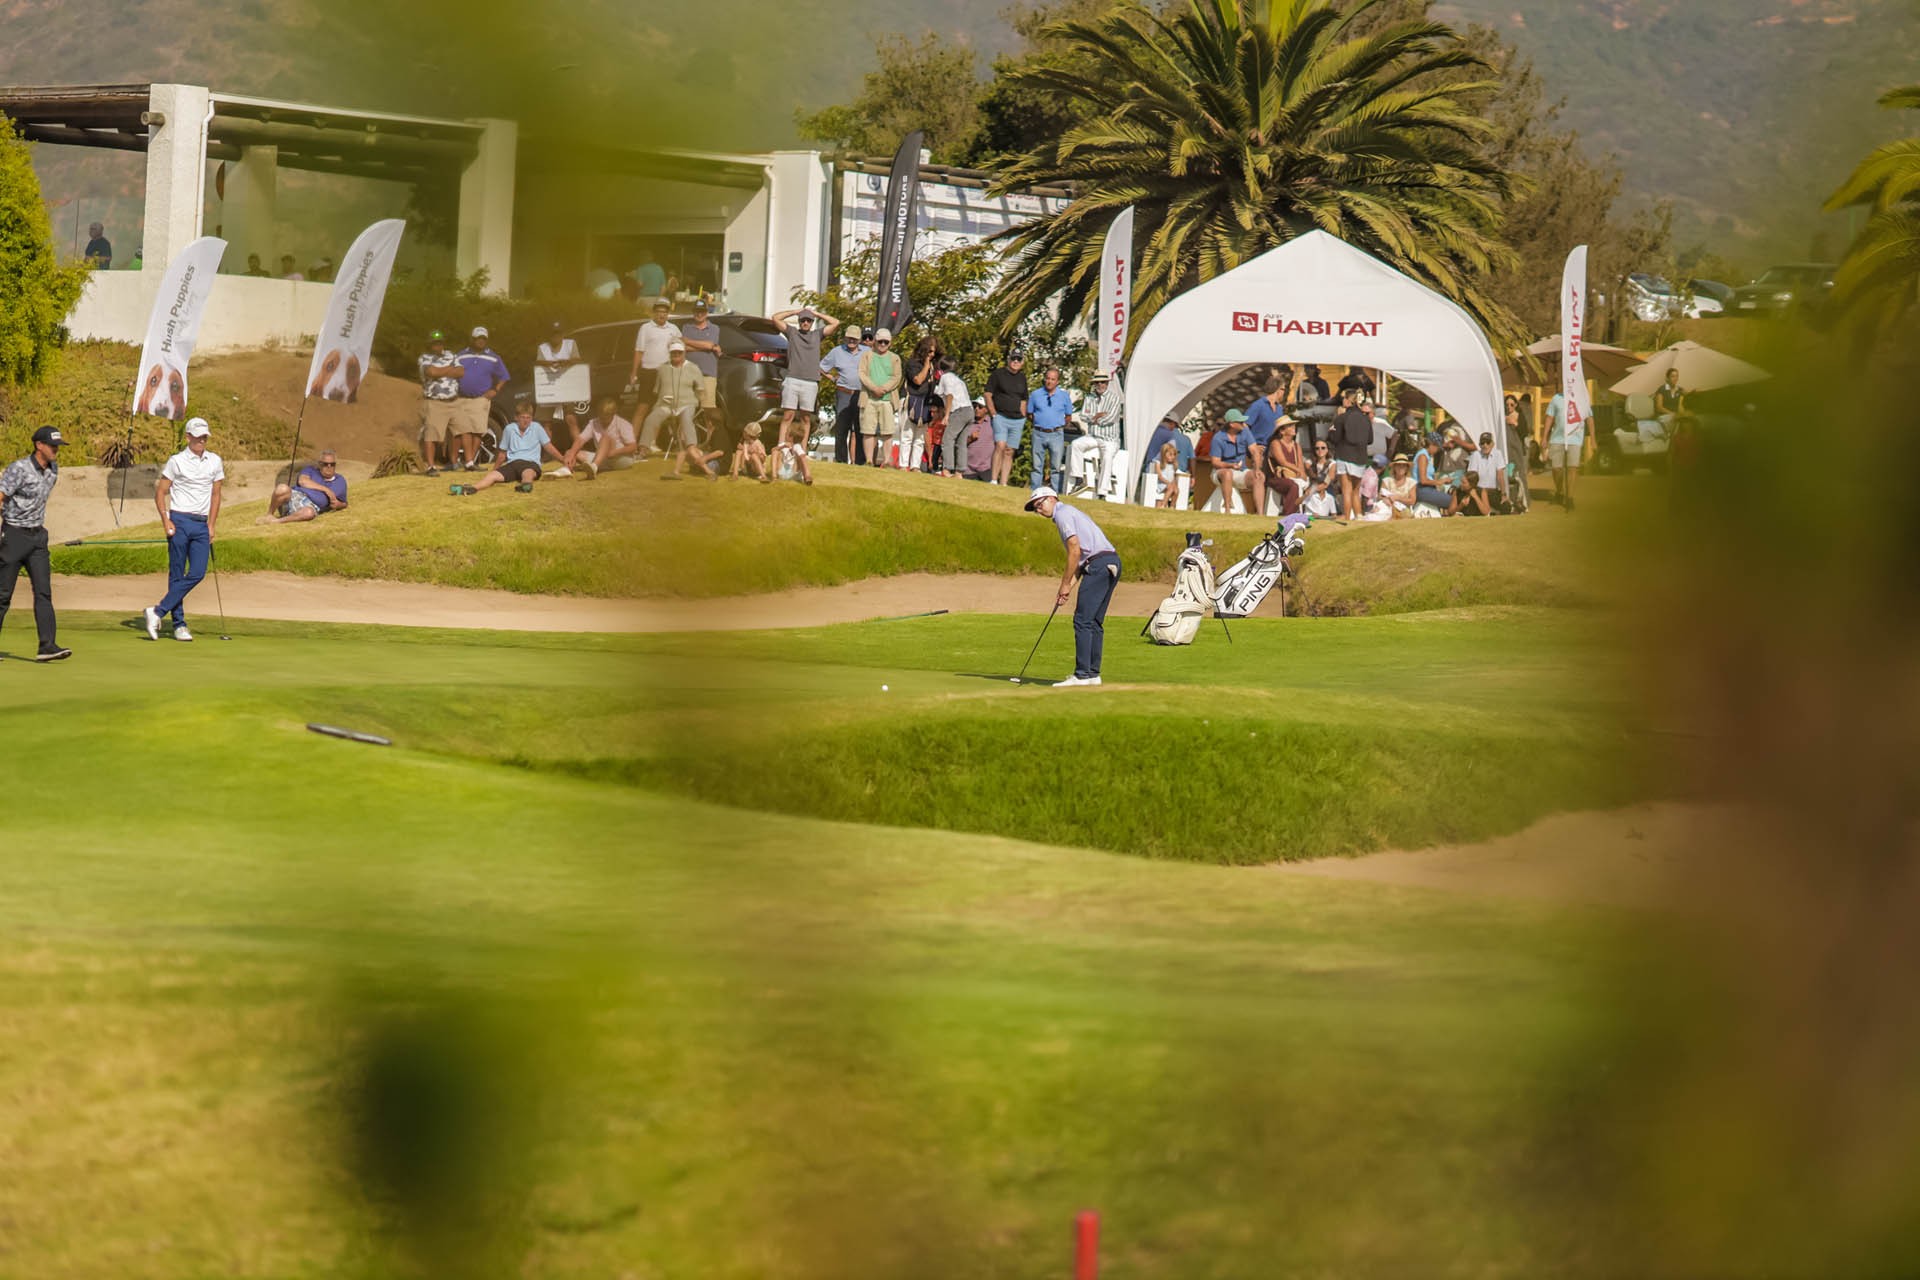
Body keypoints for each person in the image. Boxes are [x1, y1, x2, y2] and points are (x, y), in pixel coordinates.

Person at [1024, 486, 1121, 688]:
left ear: (1052, 498)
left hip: (1099, 565)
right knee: (1094, 622)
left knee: (1082, 620)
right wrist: (1067, 588)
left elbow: (1075, 552)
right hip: (1110, 562)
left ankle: (1082, 675)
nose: (1039, 510)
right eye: (1035, 508)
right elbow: (1082, 561)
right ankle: (1093, 674)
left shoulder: (1062, 514)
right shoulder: (1070, 512)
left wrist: (1064, 584)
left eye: (1040, 504)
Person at [143, 418, 224, 643]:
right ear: (188, 437)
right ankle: (179, 624)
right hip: (179, 520)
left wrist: (212, 524)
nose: (202, 440)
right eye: (198, 436)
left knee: (198, 572)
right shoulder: (176, 461)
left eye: (204, 436)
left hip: (201, 523)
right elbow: (160, 493)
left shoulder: (215, 461)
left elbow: (216, 495)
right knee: (177, 573)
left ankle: (157, 611)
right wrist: (165, 520)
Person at [0, 426, 73, 661]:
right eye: (52, 446)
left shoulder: (53, 469)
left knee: (43, 592)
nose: (56, 450)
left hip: (38, 537)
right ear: (38, 445)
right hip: (13, 535)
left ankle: (47, 646)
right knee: (3, 595)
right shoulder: (18, 469)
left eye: (58, 446)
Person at [771, 308, 836, 449]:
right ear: (799, 321)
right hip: (793, 379)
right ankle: (781, 445)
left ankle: (803, 448)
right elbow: (775, 318)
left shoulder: (817, 334)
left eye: (808, 320)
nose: (806, 323)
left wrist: (817, 313)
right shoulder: (792, 332)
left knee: (806, 417)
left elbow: (835, 323)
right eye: (803, 320)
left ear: (812, 322)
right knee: (788, 415)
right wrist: (795, 312)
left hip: (810, 382)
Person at [464, 403, 561, 491]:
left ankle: (526, 485)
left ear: (532, 418)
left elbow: (548, 447)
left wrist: (562, 459)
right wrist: (495, 469)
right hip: (513, 464)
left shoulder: (537, 427)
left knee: (528, 473)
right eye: (523, 417)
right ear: (516, 418)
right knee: (493, 476)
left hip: (531, 463)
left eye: (528, 418)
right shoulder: (509, 429)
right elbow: (502, 454)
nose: (526, 421)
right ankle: (472, 488)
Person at [452, 327, 509, 472]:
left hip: (480, 399)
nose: (481, 341)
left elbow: (504, 376)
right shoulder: (460, 355)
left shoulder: (493, 357)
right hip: (462, 398)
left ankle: (470, 462)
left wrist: (495, 390)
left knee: (478, 431)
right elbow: (451, 373)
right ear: (472, 339)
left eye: (483, 338)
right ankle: (466, 462)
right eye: (478, 338)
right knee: (463, 430)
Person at [641, 342, 708, 460]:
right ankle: (643, 449)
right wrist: (663, 398)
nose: (676, 354)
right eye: (673, 352)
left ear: (684, 353)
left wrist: (697, 401)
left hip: (687, 404)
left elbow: (701, 389)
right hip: (665, 405)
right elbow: (656, 390)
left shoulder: (693, 368)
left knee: (687, 420)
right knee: (650, 419)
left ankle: (692, 449)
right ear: (670, 353)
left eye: (679, 352)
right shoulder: (662, 368)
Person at [627, 300, 682, 430]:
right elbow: (639, 351)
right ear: (654, 313)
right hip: (648, 373)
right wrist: (634, 373)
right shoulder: (645, 328)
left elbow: (682, 348)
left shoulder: (673, 329)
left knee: (662, 409)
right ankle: (632, 440)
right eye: (659, 311)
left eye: (664, 312)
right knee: (642, 407)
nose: (661, 315)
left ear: (668, 314)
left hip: (667, 373)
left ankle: (653, 440)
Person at [1070, 367, 1124, 497]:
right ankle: (1078, 479)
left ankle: (1102, 492)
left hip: (1110, 438)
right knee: (1075, 445)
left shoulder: (1114, 398)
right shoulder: (1089, 397)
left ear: (1107, 383)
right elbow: (1083, 416)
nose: (1100, 385)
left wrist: (1094, 419)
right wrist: (1098, 416)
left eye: (1103, 382)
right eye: (1097, 382)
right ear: (1094, 383)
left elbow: (1111, 418)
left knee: (1107, 457)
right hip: (1093, 436)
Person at [818, 324, 867, 463]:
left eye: (855, 338)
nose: (852, 341)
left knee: (860, 429)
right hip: (844, 393)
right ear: (845, 338)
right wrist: (832, 378)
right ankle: (841, 460)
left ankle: (860, 462)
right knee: (842, 429)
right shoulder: (837, 351)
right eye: (849, 338)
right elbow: (821, 367)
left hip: (862, 394)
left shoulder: (867, 352)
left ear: (859, 339)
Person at [417, 329, 462, 475]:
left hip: (454, 401)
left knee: (458, 432)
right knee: (432, 435)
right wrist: (450, 369)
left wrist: (440, 370)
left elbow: (461, 372)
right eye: (435, 343)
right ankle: (431, 466)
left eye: (440, 343)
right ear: (430, 344)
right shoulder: (424, 358)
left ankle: (453, 462)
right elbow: (431, 372)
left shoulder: (451, 355)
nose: (438, 345)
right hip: (435, 402)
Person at [536, 321, 585, 451]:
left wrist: (566, 362)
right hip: (548, 387)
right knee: (546, 423)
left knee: (571, 419)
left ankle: (578, 450)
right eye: (553, 333)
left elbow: (578, 360)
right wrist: (549, 364)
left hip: (566, 387)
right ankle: (548, 453)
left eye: (558, 333)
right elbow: (539, 363)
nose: (556, 336)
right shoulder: (543, 347)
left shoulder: (570, 344)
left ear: (562, 334)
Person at [858, 327, 903, 467]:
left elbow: (897, 377)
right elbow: (862, 373)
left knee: (887, 431)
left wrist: (883, 389)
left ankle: (887, 460)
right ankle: (869, 460)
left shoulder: (895, 358)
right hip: (868, 398)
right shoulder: (866, 355)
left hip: (887, 400)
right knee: (868, 431)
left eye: (886, 342)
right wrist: (874, 388)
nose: (883, 344)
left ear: (890, 343)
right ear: (875, 341)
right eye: (880, 341)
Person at [679, 299, 725, 437]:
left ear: (707, 313)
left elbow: (710, 345)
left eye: (702, 311)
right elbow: (683, 347)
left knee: (708, 410)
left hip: (707, 375)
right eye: (697, 311)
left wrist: (688, 341)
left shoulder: (714, 328)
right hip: (688, 374)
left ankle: (709, 440)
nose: (699, 314)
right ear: (693, 312)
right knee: (686, 409)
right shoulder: (686, 327)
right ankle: (684, 441)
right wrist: (706, 346)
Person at [984, 350, 1029, 487]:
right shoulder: (998, 374)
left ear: (1022, 362)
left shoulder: (1022, 378)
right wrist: (993, 413)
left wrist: (1023, 415)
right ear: (1009, 359)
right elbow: (987, 394)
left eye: (1019, 359)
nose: (1016, 361)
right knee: (1000, 445)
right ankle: (993, 479)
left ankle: (1004, 482)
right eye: (1013, 358)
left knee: (1010, 450)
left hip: (1017, 420)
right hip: (1000, 416)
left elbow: (1023, 399)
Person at [1026, 365, 1073, 493]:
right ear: (1044, 379)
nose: (1049, 381)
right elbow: (1029, 414)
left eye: (1053, 379)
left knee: (1056, 467)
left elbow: (1068, 416)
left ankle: (1054, 492)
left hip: (1056, 434)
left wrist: (1058, 425)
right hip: (1039, 433)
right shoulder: (1035, 395)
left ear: (1057, 381)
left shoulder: (1064, 396)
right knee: (1037, 466)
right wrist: (1039, 423)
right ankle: (1035, 491)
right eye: (1048, 378)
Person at [563, 397, 639, 475]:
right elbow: (580, 440)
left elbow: (633, 447)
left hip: (621, 459)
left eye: (606, 416)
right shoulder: (593, 423)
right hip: (603, 459)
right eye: (601, 416)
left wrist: (614, 452)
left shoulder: (622, 423)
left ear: (613, 414)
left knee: (605, 438)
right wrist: (571, 454)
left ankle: (594, 466)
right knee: (570, 452)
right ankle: (568, 469)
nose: (603, 419)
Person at [1331, 390, 1373, 521]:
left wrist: (1332, 428)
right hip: (1360, 458)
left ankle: (1347, 518)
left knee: (1346, 490)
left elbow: (1335, 438)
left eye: (1344, 398)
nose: (1342, 400)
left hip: (1344, 455)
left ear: (1349, 400)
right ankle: (1359, 516)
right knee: (1356, 490)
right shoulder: (1366, 419)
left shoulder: (1342, 418)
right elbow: (1370, 440)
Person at [903, 336, 942, 470]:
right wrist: (926, 365)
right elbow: (918, 380)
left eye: (934, 352)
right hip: (911, 401)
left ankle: (915, 466)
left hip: (925, 403)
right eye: (929, 351)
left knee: (920, 437)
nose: (932, 355)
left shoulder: (934, 366)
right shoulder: (912, 363)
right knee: (907, 435)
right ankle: (904, 464)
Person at [1139, 415, 1193, 505]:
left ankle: (1160, 505)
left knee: (1154, 495)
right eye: (1175, 426)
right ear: (1172, 423)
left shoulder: (1152, 431)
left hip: (1150, 467)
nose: (1174, 428)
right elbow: (1172, 450)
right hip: (1163, 469)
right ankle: (1166, 505)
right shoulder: (1170, 435)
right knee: (1171, 489)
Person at [1210, 408, 1255, 514]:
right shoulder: (1218, 438)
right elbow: (1215, 462)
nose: (1244, 424)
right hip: (1220, 471)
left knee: (1259, 476)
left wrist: (1256, 466)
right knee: (1227, 473)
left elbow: (1254, 449)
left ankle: (1260, 514)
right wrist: (1230, 465)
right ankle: (1227, 509)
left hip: (1240, 471)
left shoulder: (1245, 432)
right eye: (1240, 422)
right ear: (1232, 424)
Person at [935, 358, 975, 476]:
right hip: (969, 410)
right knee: (961, 443)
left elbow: (949, 396)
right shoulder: (959, 380)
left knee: (947, 439)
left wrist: (946, 415)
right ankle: (959, 472)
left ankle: (947, 469)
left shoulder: (945, 377)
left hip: (958, 410)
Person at [1546, 388, 1581, 511]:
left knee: (1572, 468)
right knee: (1556, 468)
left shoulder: (1581, 397)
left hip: (1575, 438)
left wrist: (1592, 437)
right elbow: (1549, 417)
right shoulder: (1556, 398)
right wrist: (1544, 437)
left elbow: (1589, 416)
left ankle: (1570, 497)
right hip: (1557, 438)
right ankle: (1560, 491)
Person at [1266, 417, 1306, 514]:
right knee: (1293, 486)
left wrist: (1303, 475)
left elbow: (1300, 464)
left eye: (1293, 425)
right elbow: (1282, 462)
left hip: (1293, 476)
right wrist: (1298, 470)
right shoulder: (1275, 443)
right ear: (1282, 431)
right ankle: (1288, 514)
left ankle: (1301, 512)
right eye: (1290, 426)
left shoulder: (1296, 446)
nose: (1294, 427)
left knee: (1307, 486)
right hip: (1277, 477)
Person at [961, 396, 996, 481]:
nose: (976, 409)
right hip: (968, 468)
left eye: (980, 407)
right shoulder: (967, 423)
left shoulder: (993, 423)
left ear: (986, 409)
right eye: (975, 406)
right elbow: (959, 444)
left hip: (987, 468)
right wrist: (970, 439)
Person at [1474, 433, 1505, 513]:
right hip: (1479, 491)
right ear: (1479, 445)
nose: (1485, 445)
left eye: (1487, 442)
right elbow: (1472, 476)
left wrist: (1503, 494)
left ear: (1492, 444)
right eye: (1482, 443)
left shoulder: (1498, 454)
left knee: (1506, 507)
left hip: (1493, 492)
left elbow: (1500, 476)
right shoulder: (1475, 455)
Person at [1153, 441, 1180, 509]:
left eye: (1174, 455)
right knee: (1171, 488)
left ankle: (1172, 506)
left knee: (1176, 490)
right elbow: (1160, 476)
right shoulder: (1158, 463)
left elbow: (1173, 477)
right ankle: (1163, 505)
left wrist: (1174, 484)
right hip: (1161, 485)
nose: (1173, 457)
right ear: (1164, 454)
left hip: (1169, 485)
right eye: (1170, 454)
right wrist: (1168, 483)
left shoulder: (1173, 465)